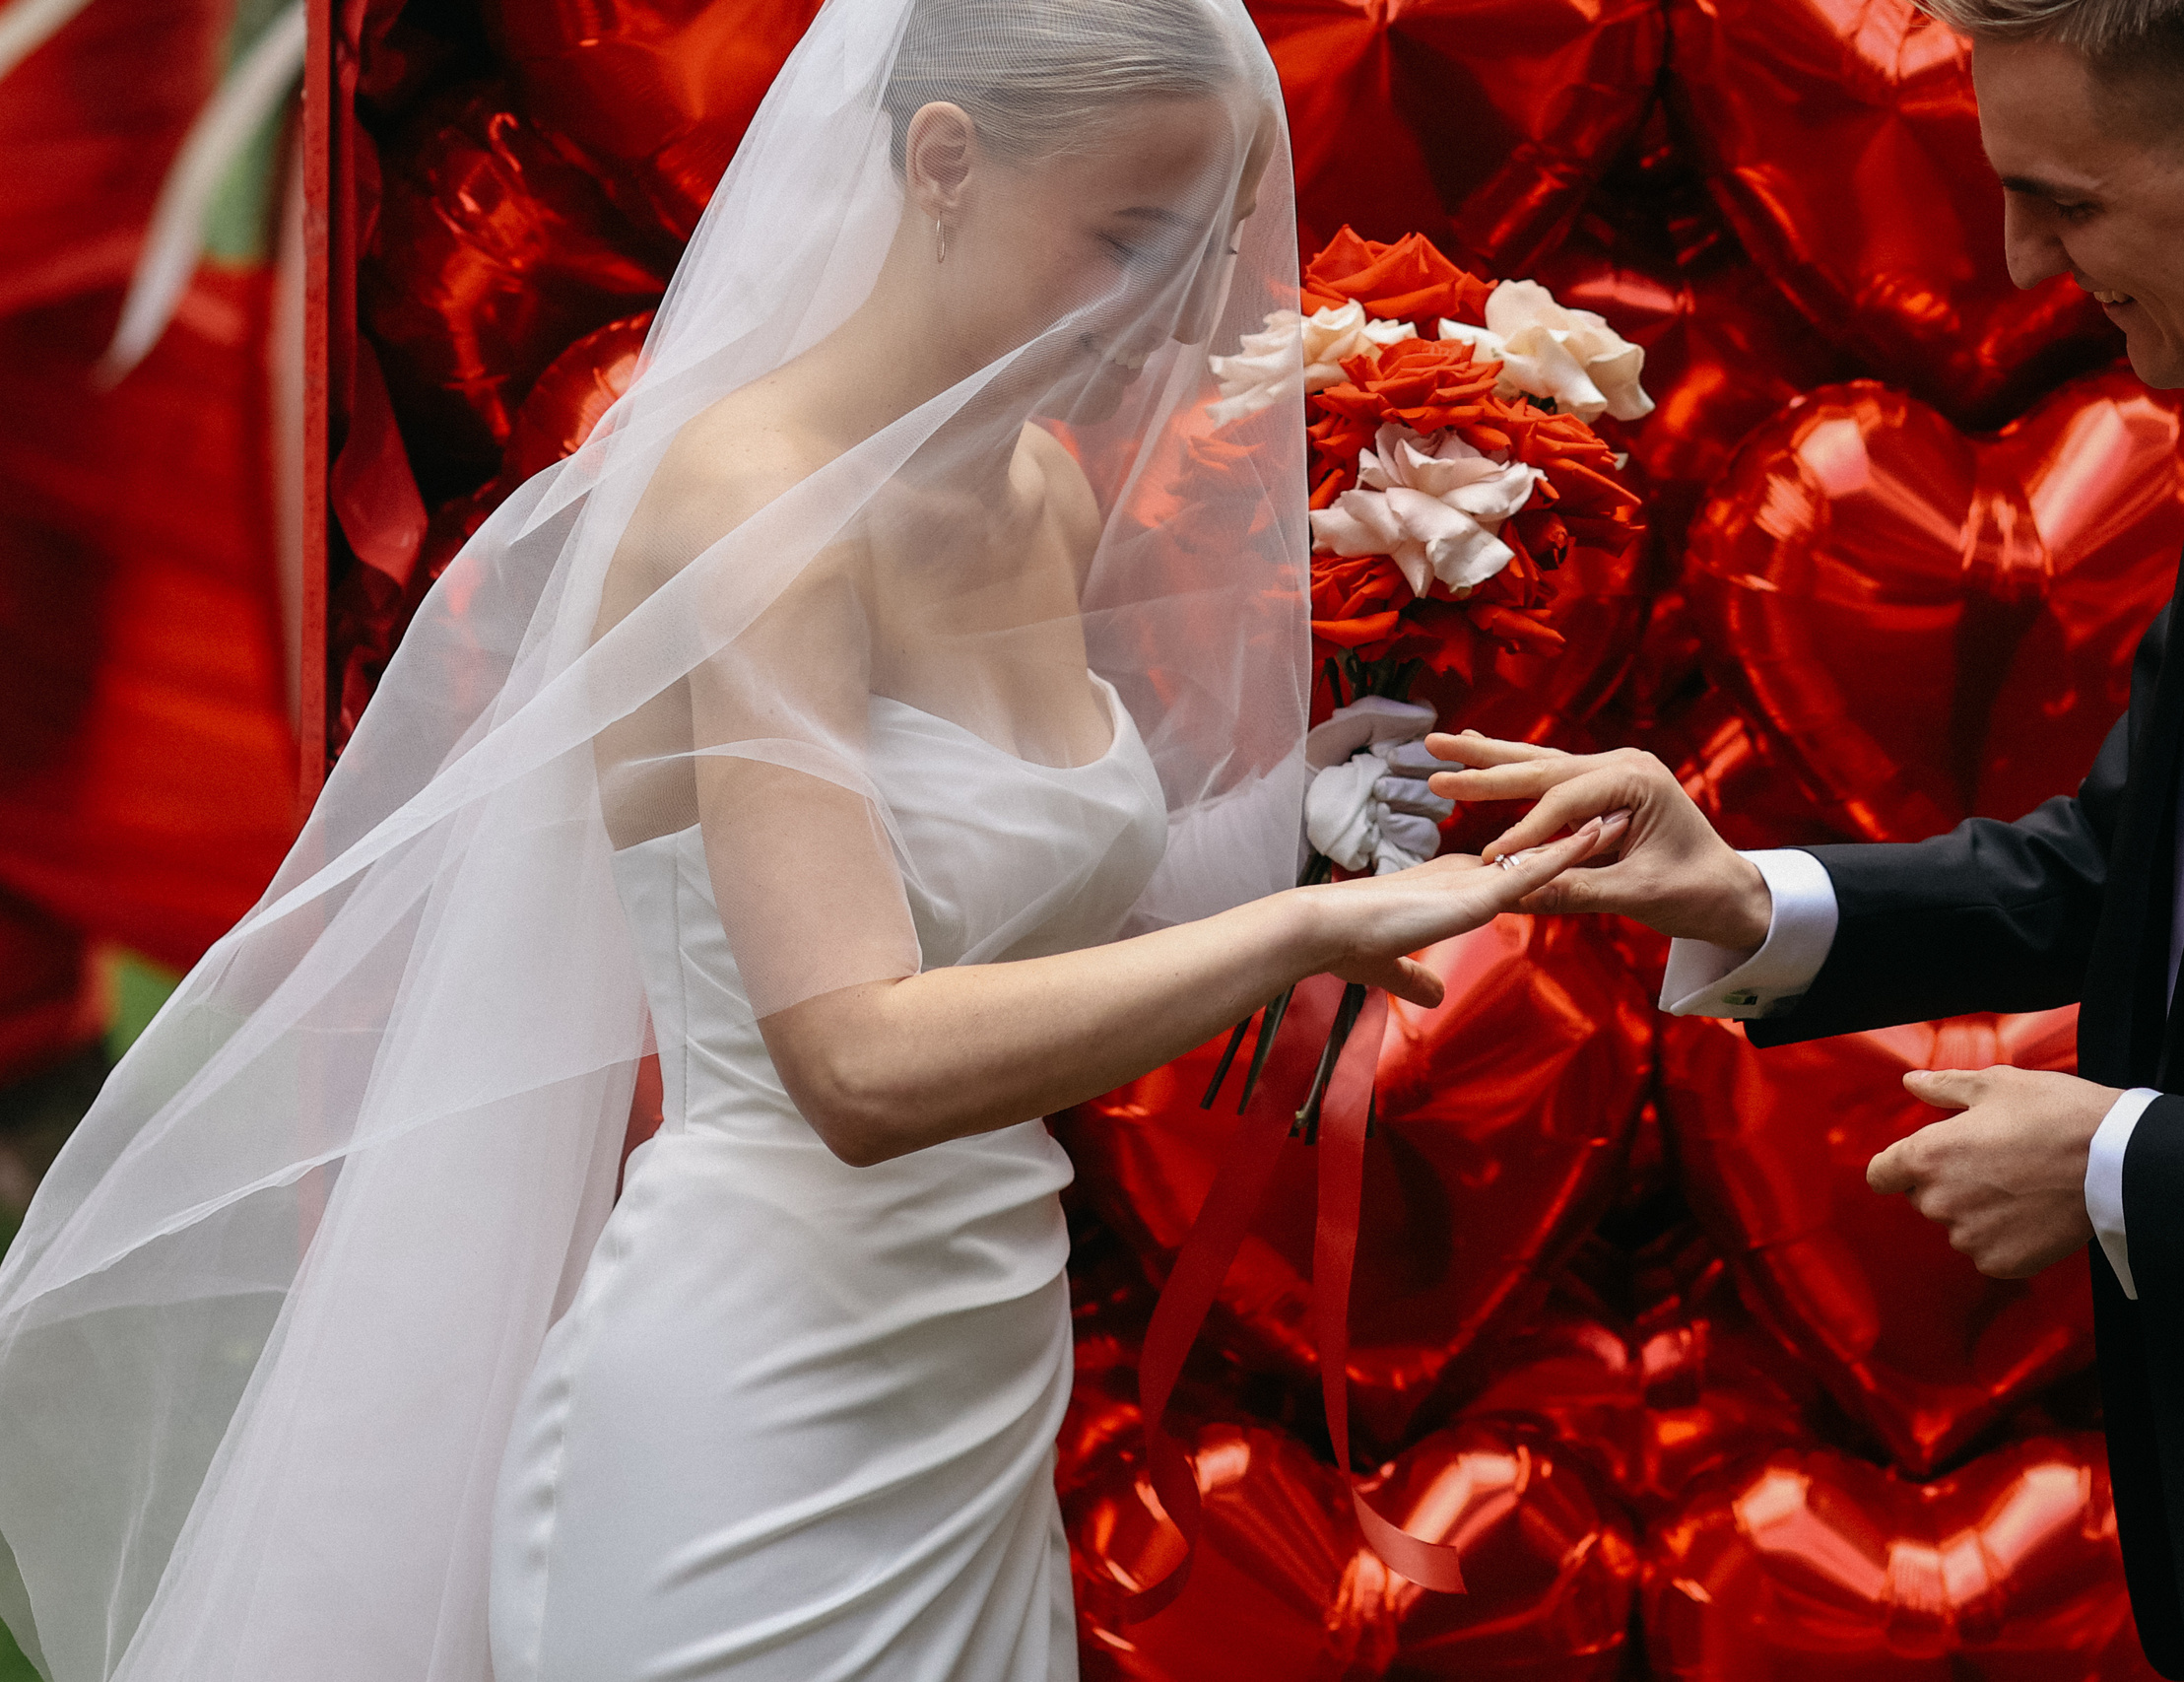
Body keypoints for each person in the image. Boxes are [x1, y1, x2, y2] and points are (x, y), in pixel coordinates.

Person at [0, 3, 1617, 1679]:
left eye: (1202, 255)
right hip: (752, 1406)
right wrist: (1296, 936)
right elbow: (852, 1058)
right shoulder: (756, 503)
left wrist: (1286, 823)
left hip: (974, 1381)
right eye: (1129, 243)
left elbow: (1018, 928)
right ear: (944, 163)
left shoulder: (1042, 494)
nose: (1177, 322)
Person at [1432, 0, 2184, 1676]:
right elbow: (2143, 858)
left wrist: (2122, 1167)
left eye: (2066, 203)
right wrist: (1742, 894)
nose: (2020, 262)